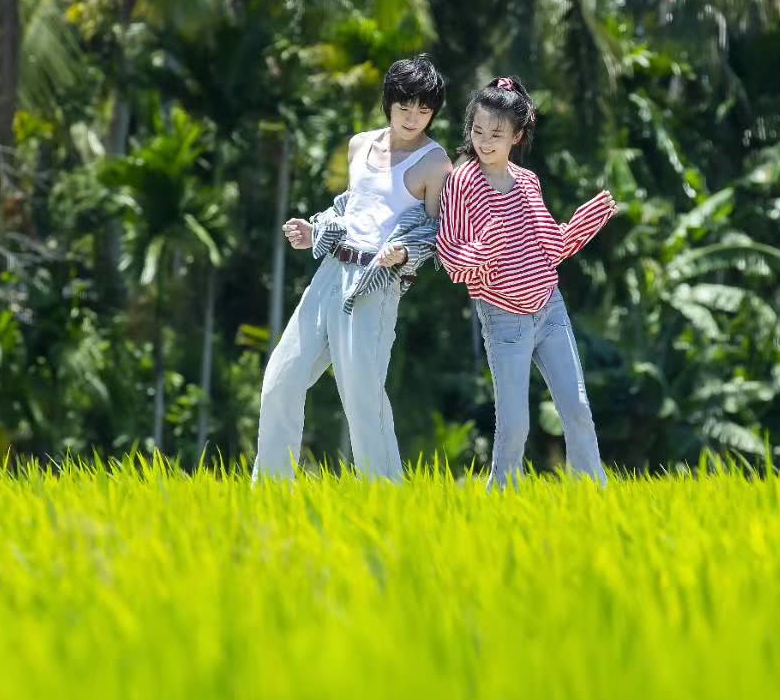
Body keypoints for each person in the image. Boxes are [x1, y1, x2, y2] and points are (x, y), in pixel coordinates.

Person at [252, 55, 453, 483]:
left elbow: (435, 232)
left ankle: (385, 501)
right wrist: (315, 231)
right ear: (389, 102)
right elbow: (351, 208)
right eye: (405, 106)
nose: (413, 117)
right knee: (279, 382)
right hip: (329, 274)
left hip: (375, 287)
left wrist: (403, 254)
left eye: (424, 109)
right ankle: (268, 492)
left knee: (363, 402)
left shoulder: (437, 165)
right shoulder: (360, 144)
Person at [435, 76, 617, 488]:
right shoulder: (462, 182)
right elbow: (451, 256)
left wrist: (587, 222)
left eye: (496, 134)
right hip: (504, 320)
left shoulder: (528, 181)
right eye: (477, 131)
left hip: (550, 310)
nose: (484, 141)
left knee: (577, 409)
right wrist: (486, 250)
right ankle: (502, 500)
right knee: (514, 425)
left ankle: (595, 495)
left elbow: (549, 248)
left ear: (517, 136)